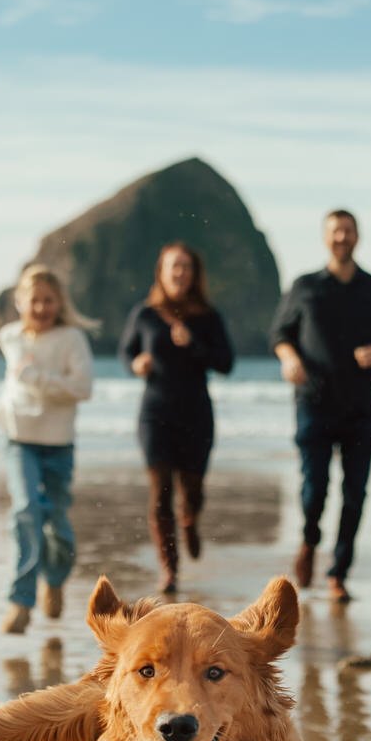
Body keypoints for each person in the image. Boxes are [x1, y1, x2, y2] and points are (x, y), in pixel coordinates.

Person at [269, 209, 371, 603]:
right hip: (313, 403)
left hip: (361, 406)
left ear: (357, 236)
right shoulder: (306, 286)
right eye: (335, 231)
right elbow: (279, 333)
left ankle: (338, 572)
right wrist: (288, 358)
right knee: (315, 488)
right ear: (324, 238)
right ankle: (310, 539)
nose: (341, 237)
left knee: (355, 493)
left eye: (348, 231)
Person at [119, 242, 235, 595]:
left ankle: (191, 520)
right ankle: (169, 570)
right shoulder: (145, 314)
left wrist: (194, 344)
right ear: (162, 272)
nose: (180, 273)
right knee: (160, 494)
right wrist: (136, 364)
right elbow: (127, 352)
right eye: (174, 266)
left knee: (193, 491)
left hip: (196, 413)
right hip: (155, 413)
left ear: (194, 274)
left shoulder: (208, 317)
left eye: (186, 266)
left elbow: (226, 363)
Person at [0, 265, 97, 634]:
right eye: (34, 300)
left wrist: (37, 379)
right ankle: (20, 602)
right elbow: (20, 381)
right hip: (19, 439)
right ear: (20, 302)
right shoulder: (10, 337)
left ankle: (54, 579)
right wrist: (41, 384)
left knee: (59, 528)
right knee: (26, 510)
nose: (41, 307)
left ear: (59, 302)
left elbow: (82, 388)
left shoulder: (72, 339)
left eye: (48, 300)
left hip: (58, 444)